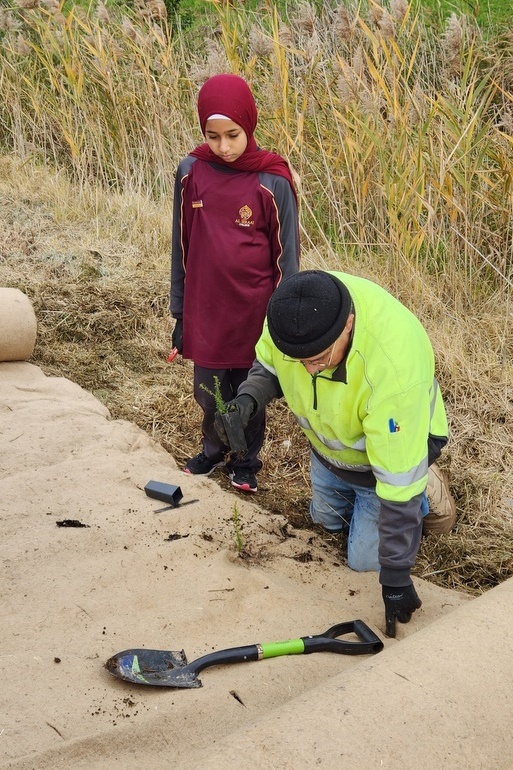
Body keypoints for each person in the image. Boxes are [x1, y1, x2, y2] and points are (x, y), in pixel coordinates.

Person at [214, 270, 456, 636]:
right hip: (330, 447)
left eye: (321, 358)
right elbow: (268, 365)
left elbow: (397, 484)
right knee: (324, 523)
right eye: (300, 361)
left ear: (349, 325)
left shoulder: (392, 370)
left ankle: (427, 486)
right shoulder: (291, 313)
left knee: (364, 563)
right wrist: (249, 399)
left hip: (387, 462)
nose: (310, 369)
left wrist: (395, 579)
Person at [170, 73, 300, 494]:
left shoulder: (272, 180)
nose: (223, 147)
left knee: (248, 391)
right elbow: (182, 247)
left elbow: (287, 259)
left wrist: (283, 321)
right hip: (206, 307)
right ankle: (212, 449)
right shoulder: (190, 171)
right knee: (208, 391)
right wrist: (180, 312)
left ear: (250, 125)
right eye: (213, 135)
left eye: (233, 135)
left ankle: (245, 460)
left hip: (253, 310)